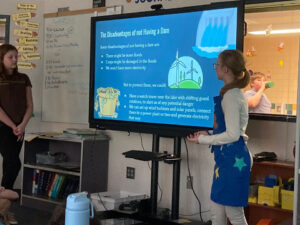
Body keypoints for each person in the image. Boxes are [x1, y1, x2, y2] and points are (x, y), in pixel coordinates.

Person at [187, 50, 251, 225]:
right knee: (217, 211)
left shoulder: (232, 96)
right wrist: (207, 133)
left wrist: (203, 140)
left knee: (234, 213)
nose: (215, 68)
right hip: (226, 159)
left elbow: (232, 134)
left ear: (226, 70)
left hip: (234, 160)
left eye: (217, 65)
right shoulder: (232, 94)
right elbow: (229, 128)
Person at [0, 44, 33, 190]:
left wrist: (22, 126)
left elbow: (30, 106)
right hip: (3, 127)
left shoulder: (24, 78)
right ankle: (4, 195)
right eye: (10, 57)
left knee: (9, 163)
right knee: (14, 163)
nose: (14, 59)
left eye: (16, 56)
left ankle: (4, 202)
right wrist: (13, 126)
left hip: (20, 128)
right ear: (1, 59)